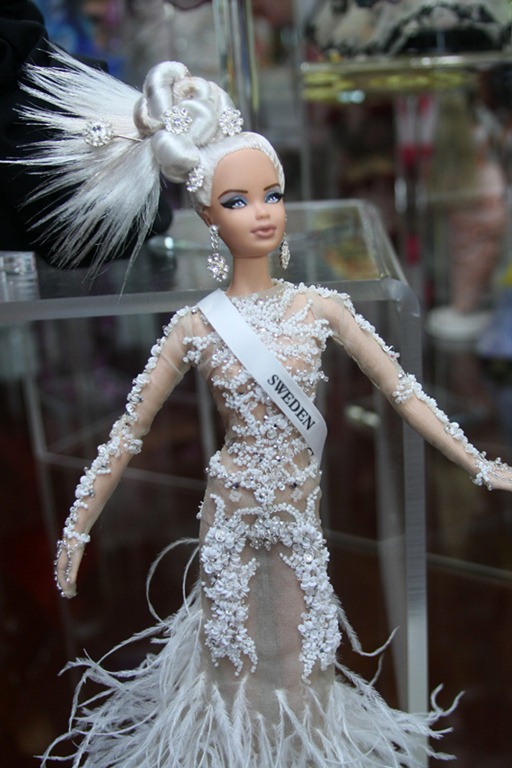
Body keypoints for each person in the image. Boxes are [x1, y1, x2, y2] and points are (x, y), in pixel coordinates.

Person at [12, 53, 512, 766]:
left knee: (304, 653)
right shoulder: (195, 325)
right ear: (208, 216)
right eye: (239, 200)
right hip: (232, 510)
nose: (263, 212)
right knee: (236, 658)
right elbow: (127, 433)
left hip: (299, 510)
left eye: (271, 194)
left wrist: (477, 462)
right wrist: (78, 525)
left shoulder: (323, 308)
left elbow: (405, 393)